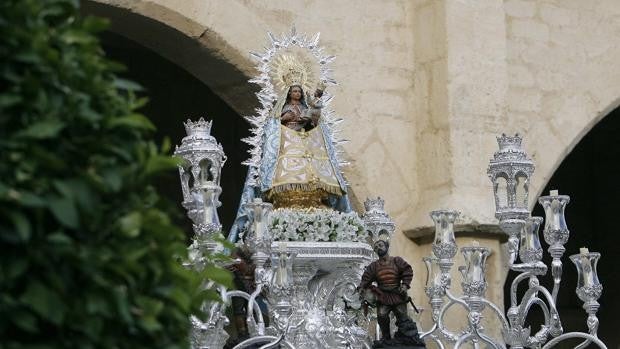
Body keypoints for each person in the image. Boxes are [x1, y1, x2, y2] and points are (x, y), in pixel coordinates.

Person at [228, 71, 351, 244]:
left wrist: (312, 113)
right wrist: (288, 118)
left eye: (299, 92)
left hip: (304, 142)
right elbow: (277, 121)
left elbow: (314, 122)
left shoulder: (304, 106)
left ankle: (315, 199)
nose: (297, 94)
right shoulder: (285, 107)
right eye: (294, 91)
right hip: (287, 143)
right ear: (288, 93)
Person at [358, 240, 426, 348]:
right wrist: (362, 287)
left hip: (398, 294)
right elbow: (366, 278)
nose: (378, 248)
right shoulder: (374, 266)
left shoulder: (396, 261)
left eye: (380, 245)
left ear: (387, 246)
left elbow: (407, 271)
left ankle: (407, 337)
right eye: (376, 247)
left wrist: (404, 285)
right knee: (381, 315)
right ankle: (386, 338)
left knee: (402, 316)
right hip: (383, 296)